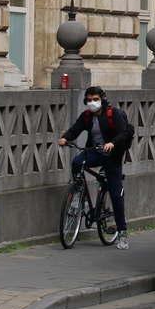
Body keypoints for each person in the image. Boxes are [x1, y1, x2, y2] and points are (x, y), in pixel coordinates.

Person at [58, 86, 132, 249]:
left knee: (114, 193)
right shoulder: (87, 116)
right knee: (77, 162)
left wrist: (112, 143)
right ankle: (79, 194)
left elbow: (123, 133)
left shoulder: (114, 114)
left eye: (95, 100)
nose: (92, 103)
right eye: (89, 100)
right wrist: (64, 138)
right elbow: (75, 129)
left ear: (103, 100)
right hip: (95, 151)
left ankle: (122, 232)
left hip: (112, 155)